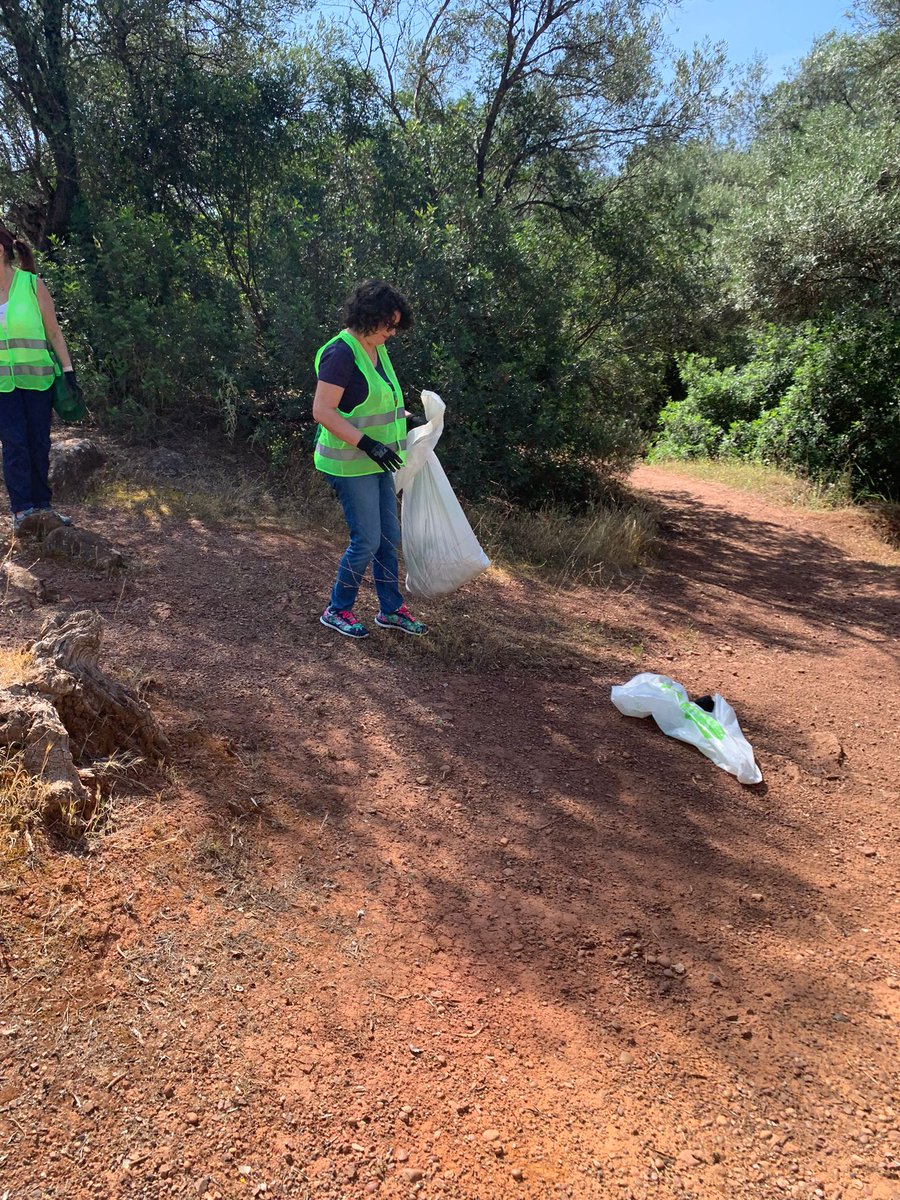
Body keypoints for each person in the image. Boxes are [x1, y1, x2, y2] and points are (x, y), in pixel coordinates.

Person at [312, 279, 428, 639]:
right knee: (367, 540)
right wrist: (368, 444)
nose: (392, 333)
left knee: (388, 536)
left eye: (395, 325)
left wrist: (410, 419)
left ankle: (391, 609)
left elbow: (378, 401)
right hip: (350, 463)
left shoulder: (376, 348)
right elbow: (322, 411)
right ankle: (338, 609)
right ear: (368, 316)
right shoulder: (341, 353)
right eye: (388, 325)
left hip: (379, 461)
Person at [0, 225, 81, 535]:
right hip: (3, 386)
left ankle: (43, 508)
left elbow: (54, 332)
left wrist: (69, 370)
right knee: (14, 446)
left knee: (38, 444)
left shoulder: (32, 285)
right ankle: (22, 512)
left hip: (38, 382)